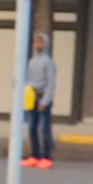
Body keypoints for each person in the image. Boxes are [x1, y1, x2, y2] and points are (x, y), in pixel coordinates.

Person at [23, 32, 58, 169]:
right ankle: (34, 155)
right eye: (36, 42)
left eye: (40, 42)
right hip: (31, 95)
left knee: (44, 128)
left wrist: (46, 100)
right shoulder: (31, 61)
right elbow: (27, 79)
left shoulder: (48, 61)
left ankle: (46, 157)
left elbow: (51, 82)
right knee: (32, 127)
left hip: (43, 96)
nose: (38, 45)